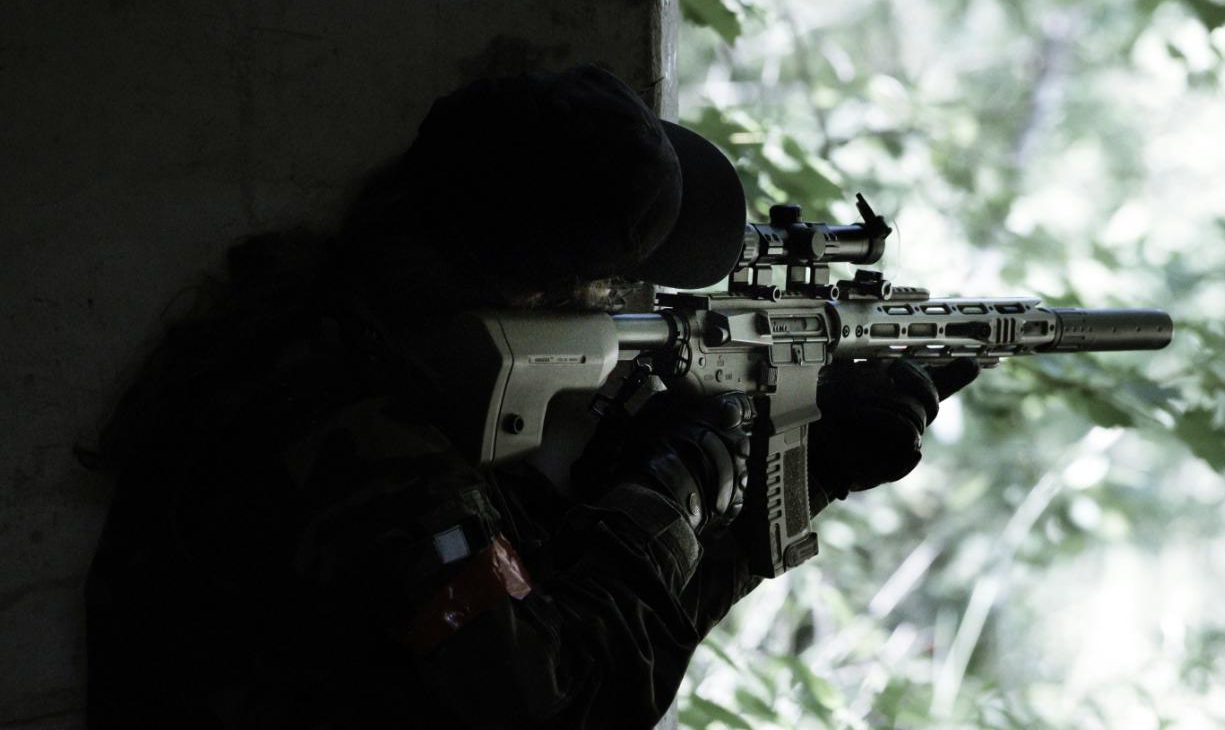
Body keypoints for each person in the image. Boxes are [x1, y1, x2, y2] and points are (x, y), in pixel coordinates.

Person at [83, 64, 977, 728]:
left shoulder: (335, 352)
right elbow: (563, 700)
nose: (637, 314)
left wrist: (790, 480)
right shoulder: (359, 439)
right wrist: (679, 489)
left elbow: (580, 625)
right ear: (539, 297)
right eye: (623, 292)